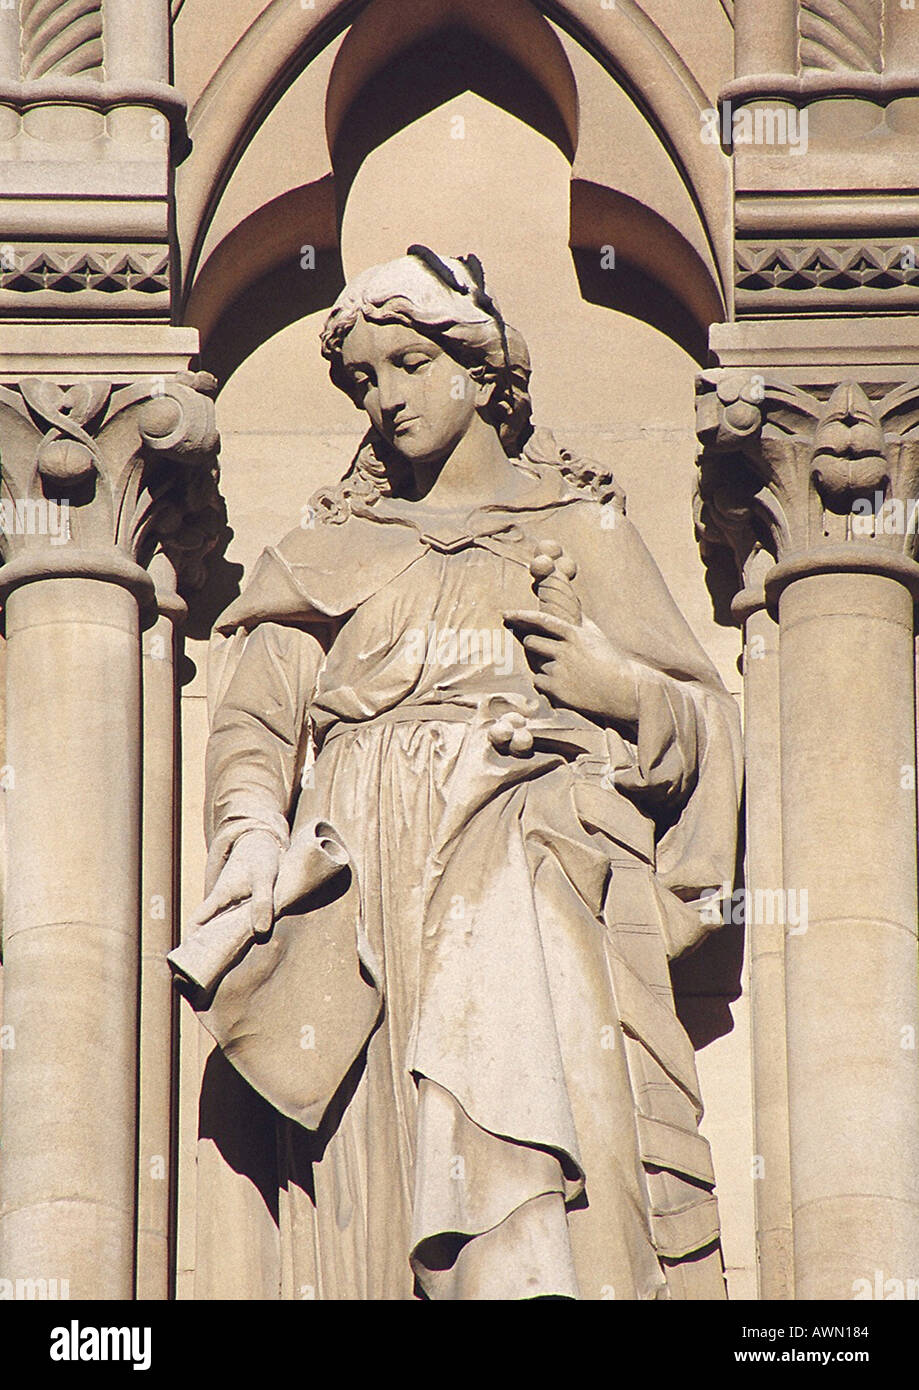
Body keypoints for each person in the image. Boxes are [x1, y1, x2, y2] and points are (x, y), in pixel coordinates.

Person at [182, 248, 743, 1300]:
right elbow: (252, 727)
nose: (384, 396)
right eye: (363, 379)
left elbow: (709, 725)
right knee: (378, 1196)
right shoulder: (325, 549)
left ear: (481, 374)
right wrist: (252, 833)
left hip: (522, 887)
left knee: (535, 1178)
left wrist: (612, 688)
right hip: (356, 900)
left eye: (405, 362)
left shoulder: (583, 533)